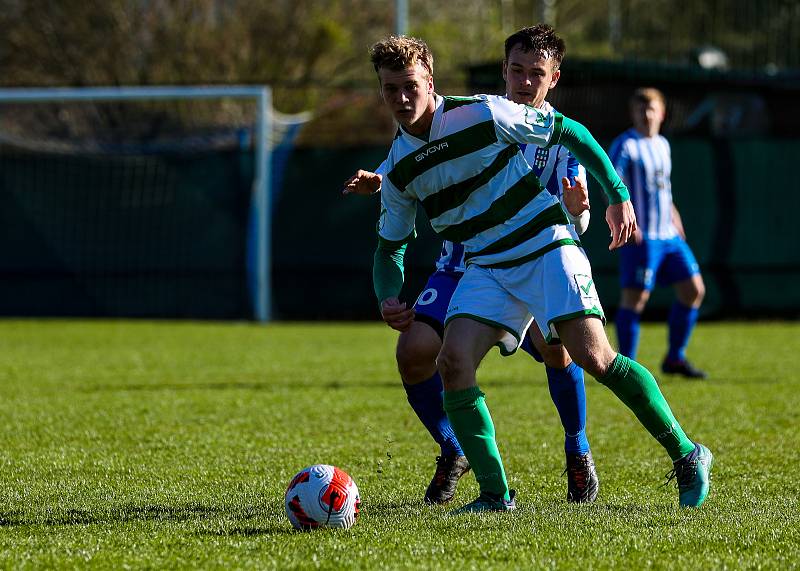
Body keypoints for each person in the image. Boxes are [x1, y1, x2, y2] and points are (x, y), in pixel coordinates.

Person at [360, 34, 712, 513]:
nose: (401, 98)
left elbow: (572, 133)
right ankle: (495, 494)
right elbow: (390, 248)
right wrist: (388, 295)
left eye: (410, 86)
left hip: (544, 246)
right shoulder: (398, 167)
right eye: (390, 89)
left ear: (430, 81)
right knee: (452, 362)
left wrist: (617, 195)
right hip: (486, 265)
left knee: (595, 358)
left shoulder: (483, 113)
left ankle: (688, 456)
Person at [345, 25, 598, 506]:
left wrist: (578, 208)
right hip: (463, 263)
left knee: (557, 350)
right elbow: (420, 163)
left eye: (535, 74)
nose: (524, 83)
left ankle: (577, 448)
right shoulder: (478, 113)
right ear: (504, 71)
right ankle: (455, 449)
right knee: (414, 352)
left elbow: (577, 221)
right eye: (517, 71)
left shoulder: (560, 141)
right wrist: (380, 181)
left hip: (533, 256)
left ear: (553, 79)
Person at [610, 88, 707, 378]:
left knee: (694, 290)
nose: (646, 114)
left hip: (669, 235)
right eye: (640, 109)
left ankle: (675, 358)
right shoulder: (626, 145)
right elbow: (610, 183)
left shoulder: (663, 144)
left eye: (651, 108)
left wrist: (675, 215)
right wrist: (626, 220)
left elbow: (662, 187)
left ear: (662, 113)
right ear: (633, 113)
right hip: (643, 236)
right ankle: (626, 369)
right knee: (635, 300)